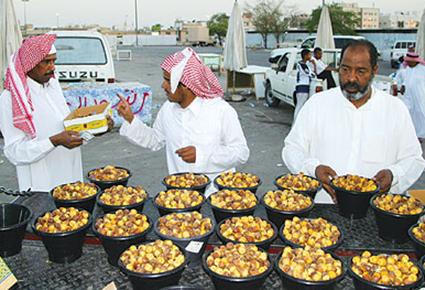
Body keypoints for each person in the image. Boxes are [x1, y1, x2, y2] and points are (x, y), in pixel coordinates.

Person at [282, 40, 425, 204]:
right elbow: (292, 148)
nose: (351, 78)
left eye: (361, 71)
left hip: (376, 211)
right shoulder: (317, 104)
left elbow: (414, 159)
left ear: (374, 71)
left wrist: (395, 174)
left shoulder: (394, 109)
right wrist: (313, 169)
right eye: (345, 69)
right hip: (322, 211)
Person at [117, 47, 249, 195]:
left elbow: (241, 153)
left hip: (218, 196)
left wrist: (202, 155)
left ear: (186, 85)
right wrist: (130, 118)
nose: (163, 86)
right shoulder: (168, 109)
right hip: (180, 198)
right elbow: (155, 140)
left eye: (168, 80)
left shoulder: (221, 111)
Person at [0, 34, 84, 191]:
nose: (52, 67)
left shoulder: (53, 85)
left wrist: (96, 128)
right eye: (46, 62)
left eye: (54, 61)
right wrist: (53, 142)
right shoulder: (10, 98)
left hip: (72, 178)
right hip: (42, 184)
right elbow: (14, 152)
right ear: (29, 64)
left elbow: (65, 125)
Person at [401, 52, 425, 142]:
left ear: (415, 61)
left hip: (420, 95)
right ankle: (411, 133)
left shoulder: (422, 69)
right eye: (407, 61)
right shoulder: (408, 68)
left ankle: (421, 134)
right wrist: (403, 86)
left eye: (410, 61)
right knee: (408, 112)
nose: (408, 63)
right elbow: (406, 80)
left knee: (420, 113)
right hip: (408, 95)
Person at [294, 49, 316, 121]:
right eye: (309, 55)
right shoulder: (302, 65)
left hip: (304, 86)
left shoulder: (305, 65)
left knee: (301, 105)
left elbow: (313, 73)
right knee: (300, 105)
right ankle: (296, 123)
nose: (311, 56)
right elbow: (310, 74)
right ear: (305, 55)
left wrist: (314, 64)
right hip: (302, 86)